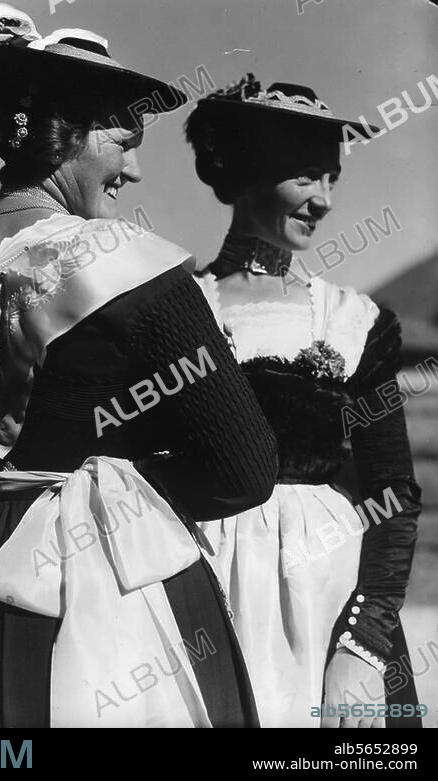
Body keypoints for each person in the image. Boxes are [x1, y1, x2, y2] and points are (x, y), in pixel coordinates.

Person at [0, 7, 277, 728]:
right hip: (101, 588)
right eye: (123, 142)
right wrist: (115, 488)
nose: (135, 168)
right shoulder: (133, 265)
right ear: (66, 135)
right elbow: (243, 468)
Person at [185, 74, 422, 728]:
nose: (322, 201)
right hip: (202, 586)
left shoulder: (354, 320)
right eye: (305, 177)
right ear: (247, 171)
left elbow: (393, 493)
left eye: (330, 180)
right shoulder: (177, 311)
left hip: (327, 593)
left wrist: (362, 646)